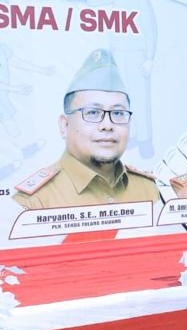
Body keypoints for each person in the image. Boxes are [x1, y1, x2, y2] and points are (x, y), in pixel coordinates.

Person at [15, 49, 160, 210]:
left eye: (118, 113)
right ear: (64, 125)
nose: (107, 125)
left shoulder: (149, 191)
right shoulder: (33, 202)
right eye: (92, 112)